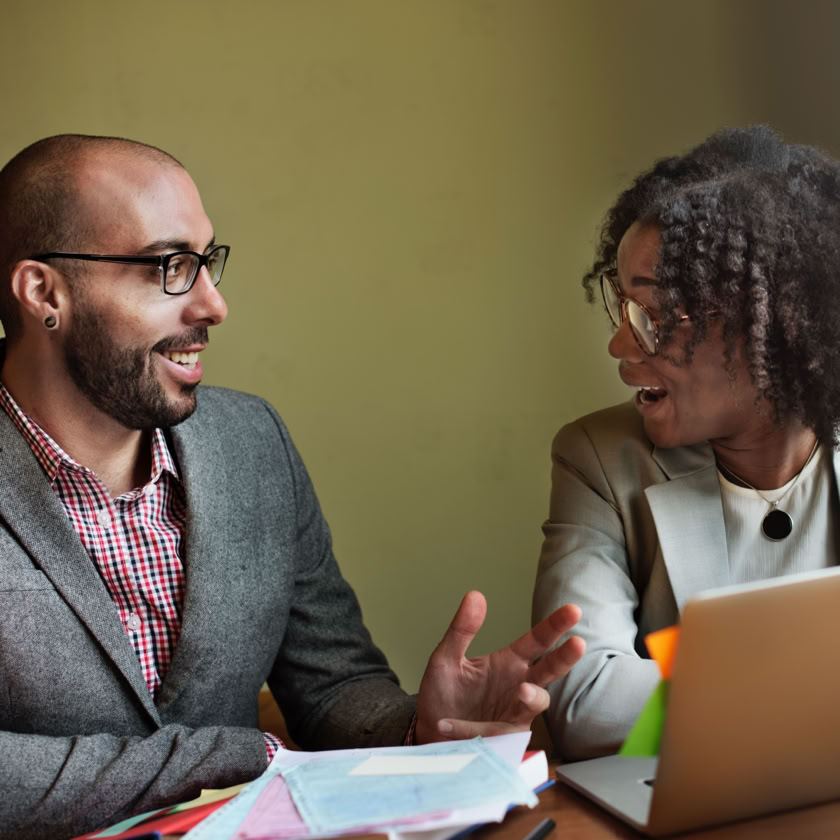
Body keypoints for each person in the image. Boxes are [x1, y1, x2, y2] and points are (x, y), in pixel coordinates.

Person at [0, 134, 585, 840]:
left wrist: (417, 729)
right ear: (45, 292)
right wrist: (232, 757)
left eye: (207, 262)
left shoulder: (253, 443)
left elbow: (333, 687)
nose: (214, 305)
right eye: (170, 267)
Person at [532, 125, 840, 761]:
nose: (620, 345)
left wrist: (695, 687)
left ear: (772, 325)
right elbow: (585, 706)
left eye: (654, 317)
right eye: (622, 308)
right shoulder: (598, 460)